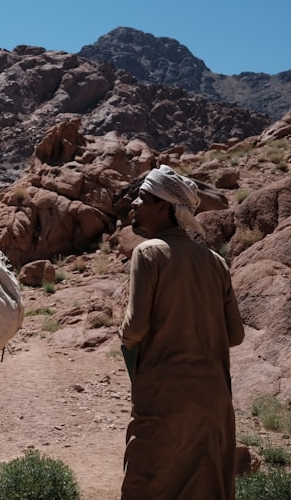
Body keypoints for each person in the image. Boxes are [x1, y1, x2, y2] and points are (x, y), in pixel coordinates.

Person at [118, 165, 245, 500]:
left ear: (164, 207)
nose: (134, 204)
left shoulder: (149, 253)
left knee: (148, 484)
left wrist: (126, 337)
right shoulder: (217, 262)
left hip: (165, 398)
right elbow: (235, 336)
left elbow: (135, 328)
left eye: (143, 197)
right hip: (214, 403)